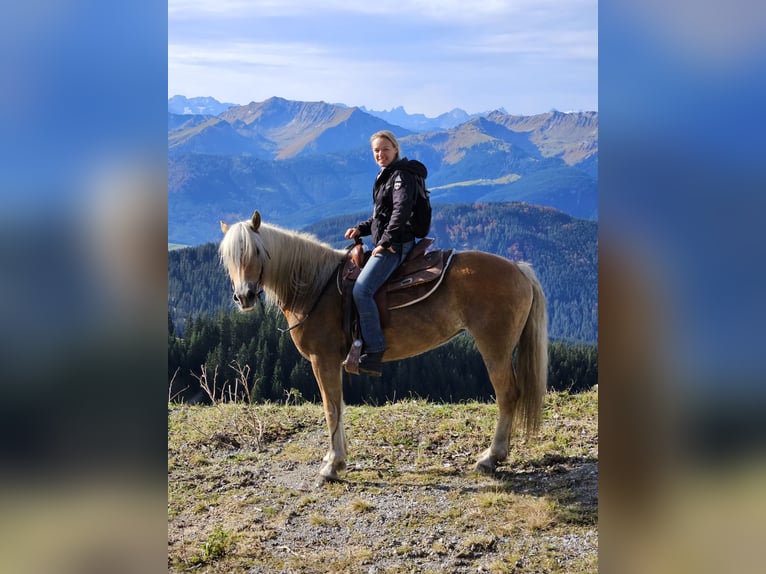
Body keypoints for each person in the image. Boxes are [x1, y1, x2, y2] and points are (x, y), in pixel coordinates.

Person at [344, 130, 428, 377]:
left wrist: (386, 241)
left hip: (396, 244)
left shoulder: (400, 176)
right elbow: (382, 215)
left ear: (396, 149)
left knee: (361, 289)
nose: (380, 154)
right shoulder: (387, 174)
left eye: (385, 149)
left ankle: (375, 350)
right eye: (376, 151)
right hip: (390, 239)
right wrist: (362, 228)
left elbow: (401, 211)